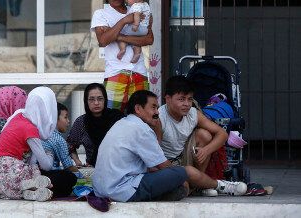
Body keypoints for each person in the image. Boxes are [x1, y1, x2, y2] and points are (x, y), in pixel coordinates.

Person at [93, 90, 247, 202]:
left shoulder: (124, 123)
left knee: (178, 182)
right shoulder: (141, 129)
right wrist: (182, 178)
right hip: (121, 189)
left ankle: (188, 189)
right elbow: (165, 167)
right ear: (138, 109)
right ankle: (222, 186)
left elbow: (151, 164)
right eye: (153, 107)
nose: (157, 112)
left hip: (102, 189)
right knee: (184, 172)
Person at [0, 87, 76, 201]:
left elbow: (31, 161)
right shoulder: (30, 129)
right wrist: (50, 154)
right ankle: (32, 187)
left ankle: (28, 190)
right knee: (68, 178)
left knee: (50, 177)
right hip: (15, 175)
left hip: (2, 181)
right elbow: (46, 165)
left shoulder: (18, 116)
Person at [154, 75, 230, 196]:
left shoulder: (194, 114)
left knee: (204, 135)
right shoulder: (158, 118)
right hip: (164, 164)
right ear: (168, 99)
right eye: (181, 99)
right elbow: (153, 153)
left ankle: (199, 185)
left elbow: (222, 134)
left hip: (183, 157)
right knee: (182, 188)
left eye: (190, 99)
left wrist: (205, 150)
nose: (187, 104)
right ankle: (200, 183)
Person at [91, 0, 153, 111]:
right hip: (115, 73)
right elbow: (103, 41)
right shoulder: (101, 13)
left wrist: (118, 36)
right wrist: (125, 20)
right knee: (112, 119)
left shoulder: (136, 8)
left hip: (139, 72)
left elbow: (149, 39)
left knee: (143, 119)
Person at [67, 83, 124, 167]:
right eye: (91, 99)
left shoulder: (117, 118)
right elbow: (69, 146)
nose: (96, 103)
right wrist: (77, 161)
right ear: (86, 101)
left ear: (105, 100)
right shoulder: (81, 122)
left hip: (120, 168)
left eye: (100, 99)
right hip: (94, 170)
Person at [116, 0, 151, 64]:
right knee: (135, 41)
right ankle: (137, 53)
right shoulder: (146, 5)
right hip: (144, 30)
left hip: (137, 28)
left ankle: (122, 49)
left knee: (120, 33)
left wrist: (136, 25)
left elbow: (137, 15)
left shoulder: (136, 5)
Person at [42, 103, 80, 175]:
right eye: (65, 117)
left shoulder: (41, 133)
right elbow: (69, 167)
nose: (68, 121)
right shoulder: (58, 139)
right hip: (50, 175)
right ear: (55, 119)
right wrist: (83, 177)